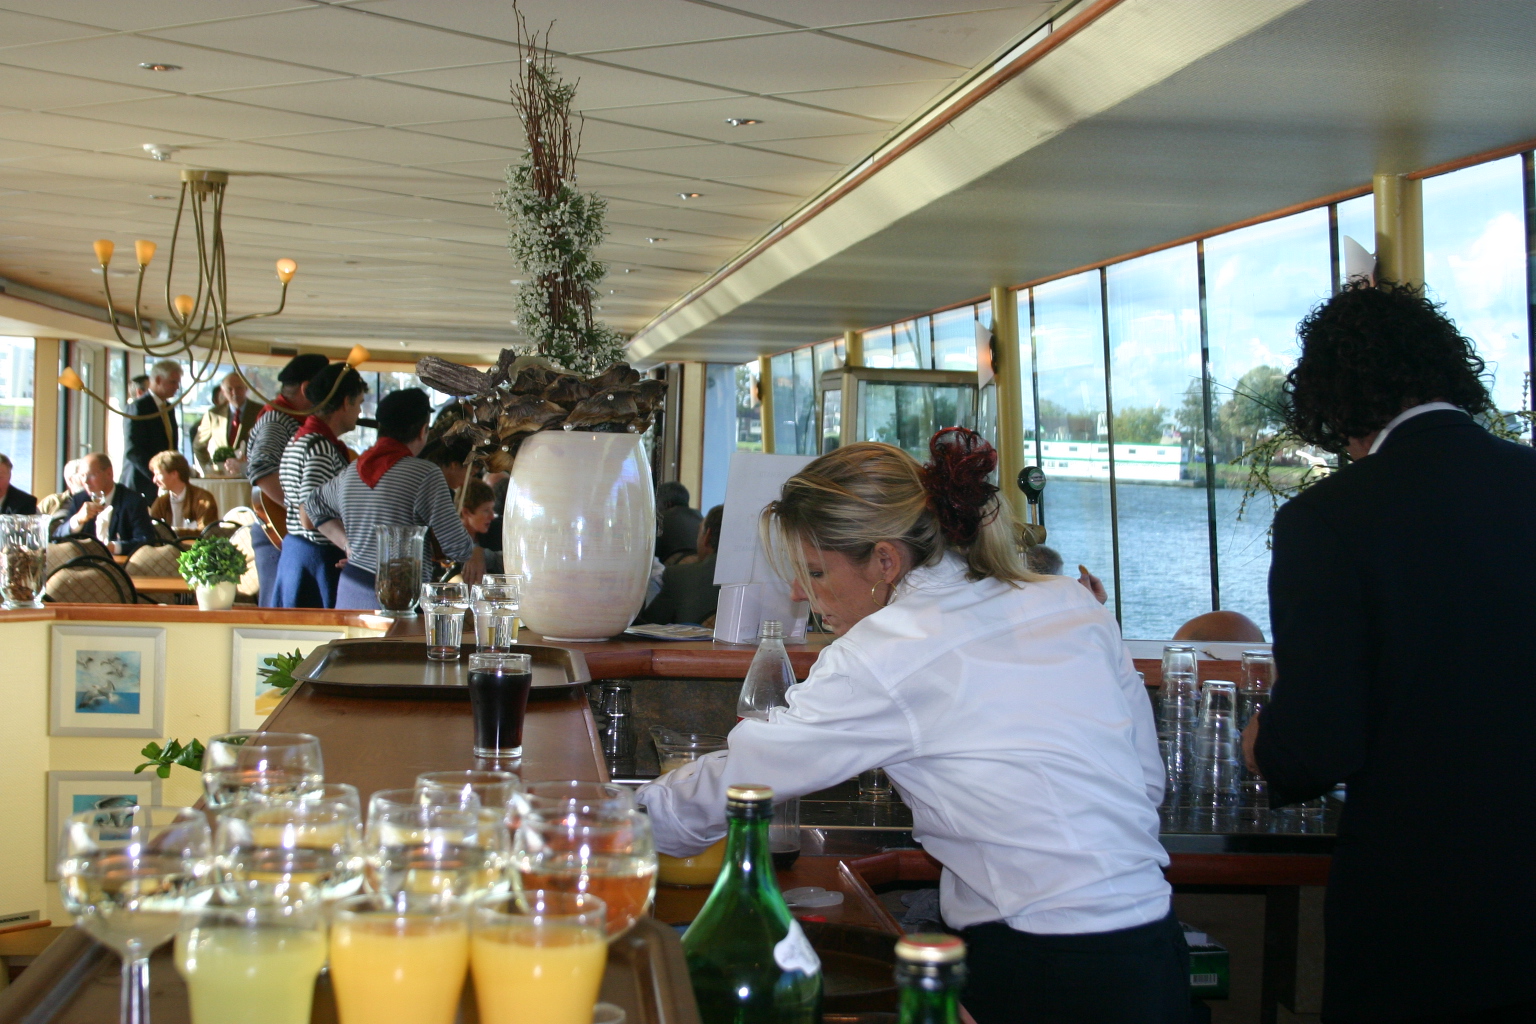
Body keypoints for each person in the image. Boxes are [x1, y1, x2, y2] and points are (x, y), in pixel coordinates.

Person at [639, 429, 1187, 1024]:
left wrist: (621, 830)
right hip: (1153, 947)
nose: (800, 592)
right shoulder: (1069, 601)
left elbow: (745, 779)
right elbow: (1144, 782)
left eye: (816, 571)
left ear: (885, 560)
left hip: (1044, 963)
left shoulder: (889, 648)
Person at [1243, 281, 1536, 1024]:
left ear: (1331, 400)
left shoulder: (1328, 520)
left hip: (1420, 916)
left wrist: (1260, 742)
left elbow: (1315, 747)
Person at [306, 388, 481, 610]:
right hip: (398, 595)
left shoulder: (351, 472)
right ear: (423, 431)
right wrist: (475, 550)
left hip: (351, 590)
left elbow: (313, 505)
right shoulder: (425, 474)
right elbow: (457, 548)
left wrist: (349, 545)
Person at [273, 363, 366, 608]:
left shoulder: (301, 439)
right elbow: (310, 515)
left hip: (298, 554)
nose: (360, 411)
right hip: (317, 559)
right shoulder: (320, 447)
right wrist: (351, 546)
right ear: (345, 402)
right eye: (359, 403)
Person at [244, 352, 329, 606]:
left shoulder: (289, 418)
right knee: (278, 613)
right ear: (306, 388)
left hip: (288, 533)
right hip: (277, 533)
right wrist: (297, 509)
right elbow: (260, 470)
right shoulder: (277, 420)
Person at [52, 453, 156, 555]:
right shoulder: (80, 499)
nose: (85, 481)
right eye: (82, 476)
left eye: (91, 475)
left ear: (109, 473)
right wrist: (77, 520)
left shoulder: (133, 501)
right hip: (84, 563)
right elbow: (56, 539)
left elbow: (146, 540)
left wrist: (114, 547)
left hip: (120, 564)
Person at [638, 504, 722, 625]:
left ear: (707, 536)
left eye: (698, 531)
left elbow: (647, 626)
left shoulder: (680, 577)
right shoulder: (750, 579)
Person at [121, 359, 183, 503]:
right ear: (158, 380)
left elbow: (170, 445)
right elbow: (133, 450)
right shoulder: (138, 407)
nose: (177, 387)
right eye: (173, 382)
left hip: (165, 483)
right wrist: (157, 476)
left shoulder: (168, 408)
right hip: (141, 483)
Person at [193, 372, 264, 475]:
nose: (235, 392)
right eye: (230, 389)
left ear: (246, 388)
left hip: (250, 475)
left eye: (239, 388)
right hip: (222, 475)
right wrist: (209, 468)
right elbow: (199, 446)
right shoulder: (213, 414)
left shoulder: (260, 412)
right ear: (223, 392)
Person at [148, 451, 219, 530]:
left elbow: (206, 532)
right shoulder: (161, 502)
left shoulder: (203, 500)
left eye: (158, 474)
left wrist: (174, 532)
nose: (154, 480)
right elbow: (151, 529)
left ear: (174, 474)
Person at [655, 481, 703, 563]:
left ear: (667, 504)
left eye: (656, 504)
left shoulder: (661, 519)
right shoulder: (700, 517)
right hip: (704, 565)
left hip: (675, 567)